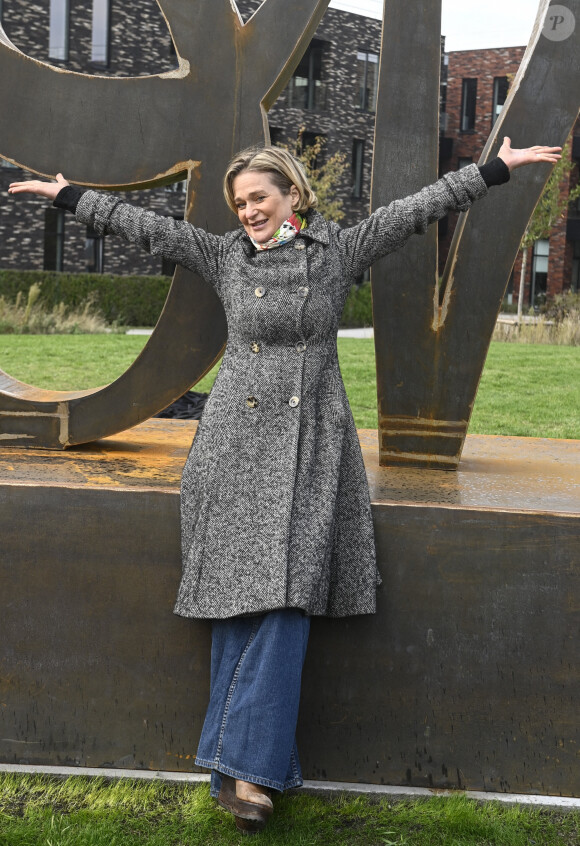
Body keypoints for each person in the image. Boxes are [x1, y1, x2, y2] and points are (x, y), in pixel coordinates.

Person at [8, 136, 561, 834]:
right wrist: (68, 194)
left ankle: (237, 768)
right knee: (239, 597)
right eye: (239, 203)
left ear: (293, 195)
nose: (247, 212)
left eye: (259, 198)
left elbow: (416, 210)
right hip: (235, 444)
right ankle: (243, 773)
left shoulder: (338, 251)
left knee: (286, 598)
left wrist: (494, 170)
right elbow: (149, 228)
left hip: (309, 444)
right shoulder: (225, 257)